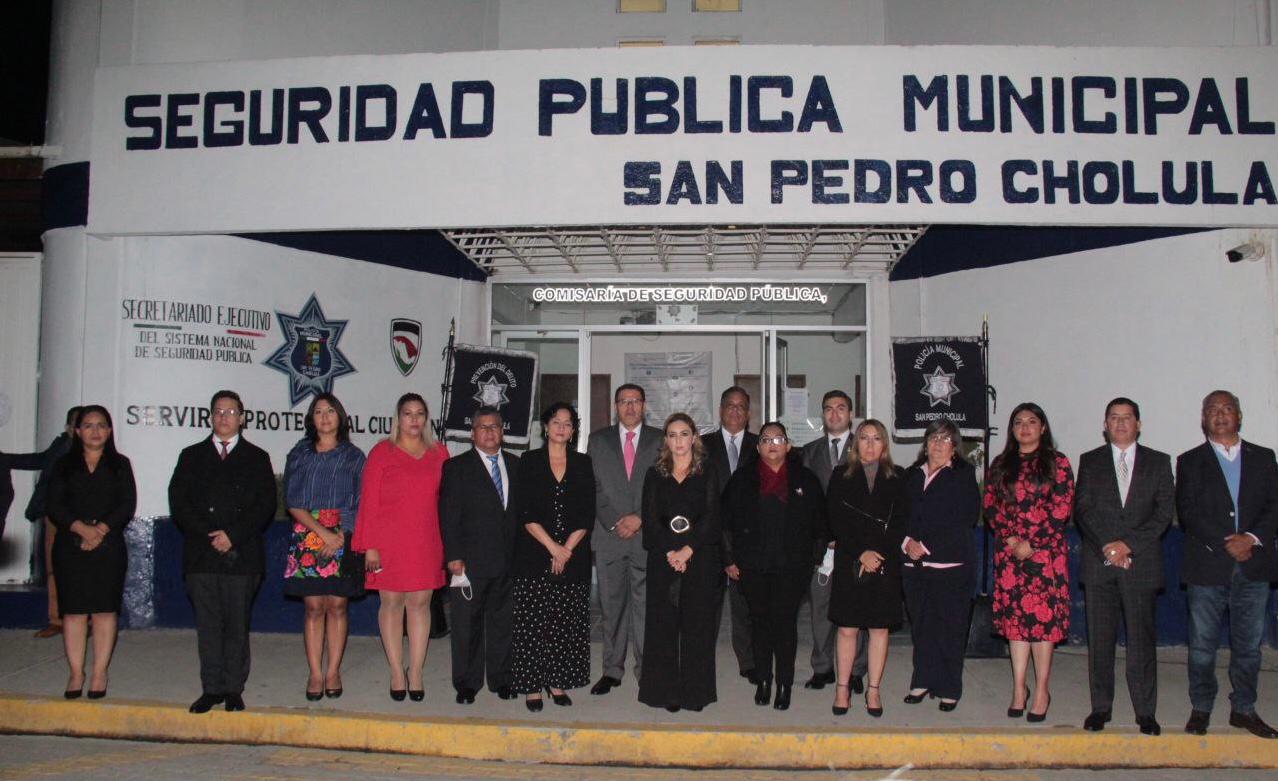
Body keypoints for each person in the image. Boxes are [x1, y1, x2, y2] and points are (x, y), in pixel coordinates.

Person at [1177, 390, 1278, 739]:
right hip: (1207, 566)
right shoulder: (1189, 461)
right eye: (1212, 410)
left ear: (1239, 416)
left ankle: (1244, 709)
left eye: (1227, 409)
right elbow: (1189, 512)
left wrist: (1249, 539)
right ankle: (1201, 707)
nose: (1220, 415)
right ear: (1203, 419)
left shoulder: (1264, 457)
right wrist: (1228, 542)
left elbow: (1274, 506)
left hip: (1254, 565)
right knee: (1202, 645)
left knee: (1248, 647)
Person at [169, 390, 276, 714]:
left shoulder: (257, 457)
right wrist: (209, 535)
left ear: (242, 417)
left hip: (241, 556)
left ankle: (233, 689)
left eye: (230, 412)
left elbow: (265, 505)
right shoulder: (191, 456)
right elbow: (179, 502)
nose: (224, 417)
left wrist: (233, 535)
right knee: (209, 626)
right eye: (218, 412)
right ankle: (211, 688)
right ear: (210, 417)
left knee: (236, 625)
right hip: (202, 556)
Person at [1074, 397, 1174, 736]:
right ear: (1104, 425)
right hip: (1100, 562)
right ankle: (1100, 708)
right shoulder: (1090, 462)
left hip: (1140, 563)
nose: (1120, 423)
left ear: (1139, 424)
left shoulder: (1159, 463)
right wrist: (1109, 546)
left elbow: (1163, 513)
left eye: (1127, 417)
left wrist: (1127, 545)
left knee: (1141, 642)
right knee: (1099, 641)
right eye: (1113, 418)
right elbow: (1083, 510)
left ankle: (1146, 712)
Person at [722, 421, 826, 711]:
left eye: (778, 439)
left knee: (785, 625)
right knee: (760, 623)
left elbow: (820, 524)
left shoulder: (806, 479)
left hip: (792, 568)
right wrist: (729, 559)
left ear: (788, 445)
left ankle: (784, 684)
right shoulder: (742, 480)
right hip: (752, 566)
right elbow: (725, 523)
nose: (772, 444)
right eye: (766, 440)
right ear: (758, 447)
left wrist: (813, 559)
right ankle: (764, 680)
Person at [352, 392, 448, 703]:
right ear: (398, 418)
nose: (414, 419)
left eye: (420, 413)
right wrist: (369, 546)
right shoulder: (382, 452)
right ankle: (396, 670)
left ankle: (416, 670)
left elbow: (447, 501)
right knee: (391, 605)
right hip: (386, 543)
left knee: (419, 605)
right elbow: (368, 502)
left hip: (426, 541)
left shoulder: (439, 453)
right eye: (408, 413)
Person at [984, 402, 1074, 724]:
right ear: (1012, 429)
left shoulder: (1058, 464)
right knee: (1016, 624)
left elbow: (1061, 509)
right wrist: (1010, 539)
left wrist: (1032, 543)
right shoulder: (1000, 464)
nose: (1025, 427)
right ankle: (1019, 688)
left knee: (1042, 625)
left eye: (1032, 421)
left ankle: (1041, 691)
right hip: (1010, 557)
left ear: (1043, 427)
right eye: (1018, 422)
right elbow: (991, 505)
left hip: (1045, 556)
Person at [45, 405, 136, 699]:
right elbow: (55, 505)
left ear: (109, 431)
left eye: (101, 425)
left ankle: (99, 671)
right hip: (71, 545)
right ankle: (75, 672)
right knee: (73, 612)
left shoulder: (120, 464)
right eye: (88, 425)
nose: (95, 431)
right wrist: (81, 529)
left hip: (108, 546)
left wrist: (100, 531)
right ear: (77, 431)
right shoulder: (63, 466)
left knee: (103, 611)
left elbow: (126, 504)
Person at [282, 393, 367, 702]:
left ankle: (333, 671)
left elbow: (362, 501)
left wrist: (341, 535)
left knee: (338, 606)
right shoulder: (300, 454)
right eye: (318, 411)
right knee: (314, 607)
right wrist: (322, 534)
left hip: (344, 534)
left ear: (340, 416)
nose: (325, 416)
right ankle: (315, 673)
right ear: (311, 419)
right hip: (309, 533)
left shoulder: (354, 456)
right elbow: (292, 501)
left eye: (330, 410)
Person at [511, 402, 595, 712]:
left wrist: (567, 549)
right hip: (535, 553)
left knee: (563, 621)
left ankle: (557, 682)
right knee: (533, 622)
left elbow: (587, 513)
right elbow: (525, 512)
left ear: (574, 431)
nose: (562, 427)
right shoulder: (529, 461)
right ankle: (533, 686)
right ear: (545, 427)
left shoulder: (583, 463)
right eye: (556, 422)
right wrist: (552, 547)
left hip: (573, 557)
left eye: (568, 423)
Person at [639, 413, 722, 712]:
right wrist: (670, 553)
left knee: (697, 626)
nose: (678, 441)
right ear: (666, 440)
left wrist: (687, 551)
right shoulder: (654, 474)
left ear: (694, 437)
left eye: (684, 434)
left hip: (699, 558)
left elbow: (713, 517)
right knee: (663, 626)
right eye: (672, 435)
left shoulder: (707, 471)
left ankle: (694, 693)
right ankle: (665, 692)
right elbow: (649, 521)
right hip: (663, 560)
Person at [826, 418, 908, 717]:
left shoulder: (898, 477)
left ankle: (873, 690)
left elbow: (901, 522)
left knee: (878, 629)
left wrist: (878, 553)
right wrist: (861, 552)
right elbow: (835, 518)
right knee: (847, 629)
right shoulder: (840, 476)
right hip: (851, 560)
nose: (870, 444)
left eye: (876, 438)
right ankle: (842, 688)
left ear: (884, 444)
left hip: (885, 563)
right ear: (855, 443)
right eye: (864, 438)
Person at [439, 406, 520, 704]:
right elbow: (448, 515)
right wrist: (453, 556)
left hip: (508, 561)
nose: (489, 432)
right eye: (483, 427)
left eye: (495, 426)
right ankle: (467, 684)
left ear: (502, 431)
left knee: (503, 624)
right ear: (472, 433)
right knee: (467, 625)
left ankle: (502, 680)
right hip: (469, 562)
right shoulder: (456, 467)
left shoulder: (515, 464)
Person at [586, 383, 660, 696]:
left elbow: (664, 486)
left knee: (646, 610)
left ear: (644, 405)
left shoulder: (660, 440)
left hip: (645, 536)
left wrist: (640, 517)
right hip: (609, 536)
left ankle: (647, 670)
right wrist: (616, 521)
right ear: (616, 407)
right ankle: (612, 670)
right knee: (611, 607)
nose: (630, 407)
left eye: (635, 401)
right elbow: (592, 487)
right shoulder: (598, 440)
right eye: (623, 402)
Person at [901, 420, 979, 713]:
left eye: (945, 439)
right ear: (925, 443)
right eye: (933, 437)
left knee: (950, 627)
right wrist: (908, 541)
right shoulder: (911, 474)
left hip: (950, 565)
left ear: (954, 446)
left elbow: (965, 517)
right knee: (922, 627)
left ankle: (949, 687)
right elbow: (901, 515)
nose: (937, 443)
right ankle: (922, 679)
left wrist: (926, 545)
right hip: (914, 565)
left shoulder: (963, 475)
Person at [2, 406, 81, 639]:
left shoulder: (93, 453)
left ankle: (80, 620)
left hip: (78, 518)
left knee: (77, 571)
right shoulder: (60, 445)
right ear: (69, 427)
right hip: (53, 515)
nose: (83, 429)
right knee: (53, 569)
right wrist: (5, 459)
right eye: (79, 424)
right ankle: (56, 619)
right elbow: (40, 460)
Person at [799, 390, 857, 692]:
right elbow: (806, 501)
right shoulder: (810, 452)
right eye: (828, 409)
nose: (834, 415)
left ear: (850, 414)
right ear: (822, 415)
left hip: (856, 544)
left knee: (854, 609)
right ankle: (822, 668)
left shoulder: (864, 447)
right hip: (822, 546)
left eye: (841, 409)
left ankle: (857, 670)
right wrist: (823, 535)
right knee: (820, 608)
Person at [701, 386, 758, 684]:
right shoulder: (702, 444)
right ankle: (702, 660)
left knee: (744, 606)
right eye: (729, 406)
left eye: (741, 406)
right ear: (721, 410)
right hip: (709, 538)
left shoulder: (760, 445)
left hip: (746, 539)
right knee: (707, 605)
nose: (735, 411)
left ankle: (748, 662)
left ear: (748, 414)